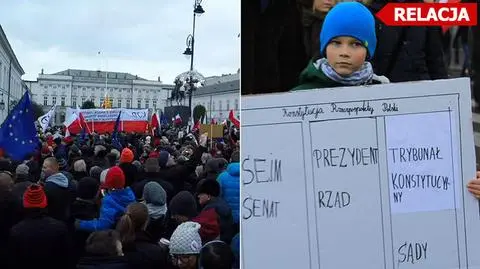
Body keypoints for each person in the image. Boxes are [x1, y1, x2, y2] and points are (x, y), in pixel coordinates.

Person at [291, 1, 389, 91]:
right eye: (336, 43)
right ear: (325, 47)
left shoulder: (384, 92)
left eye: (356, 44)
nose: (344, 53)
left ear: (368, 51)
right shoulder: (300, 96)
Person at [75, 166, 136, 232]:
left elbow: (102, 225)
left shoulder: (108, 201)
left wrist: (81, 224)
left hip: (113, 235)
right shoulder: (130, 195)